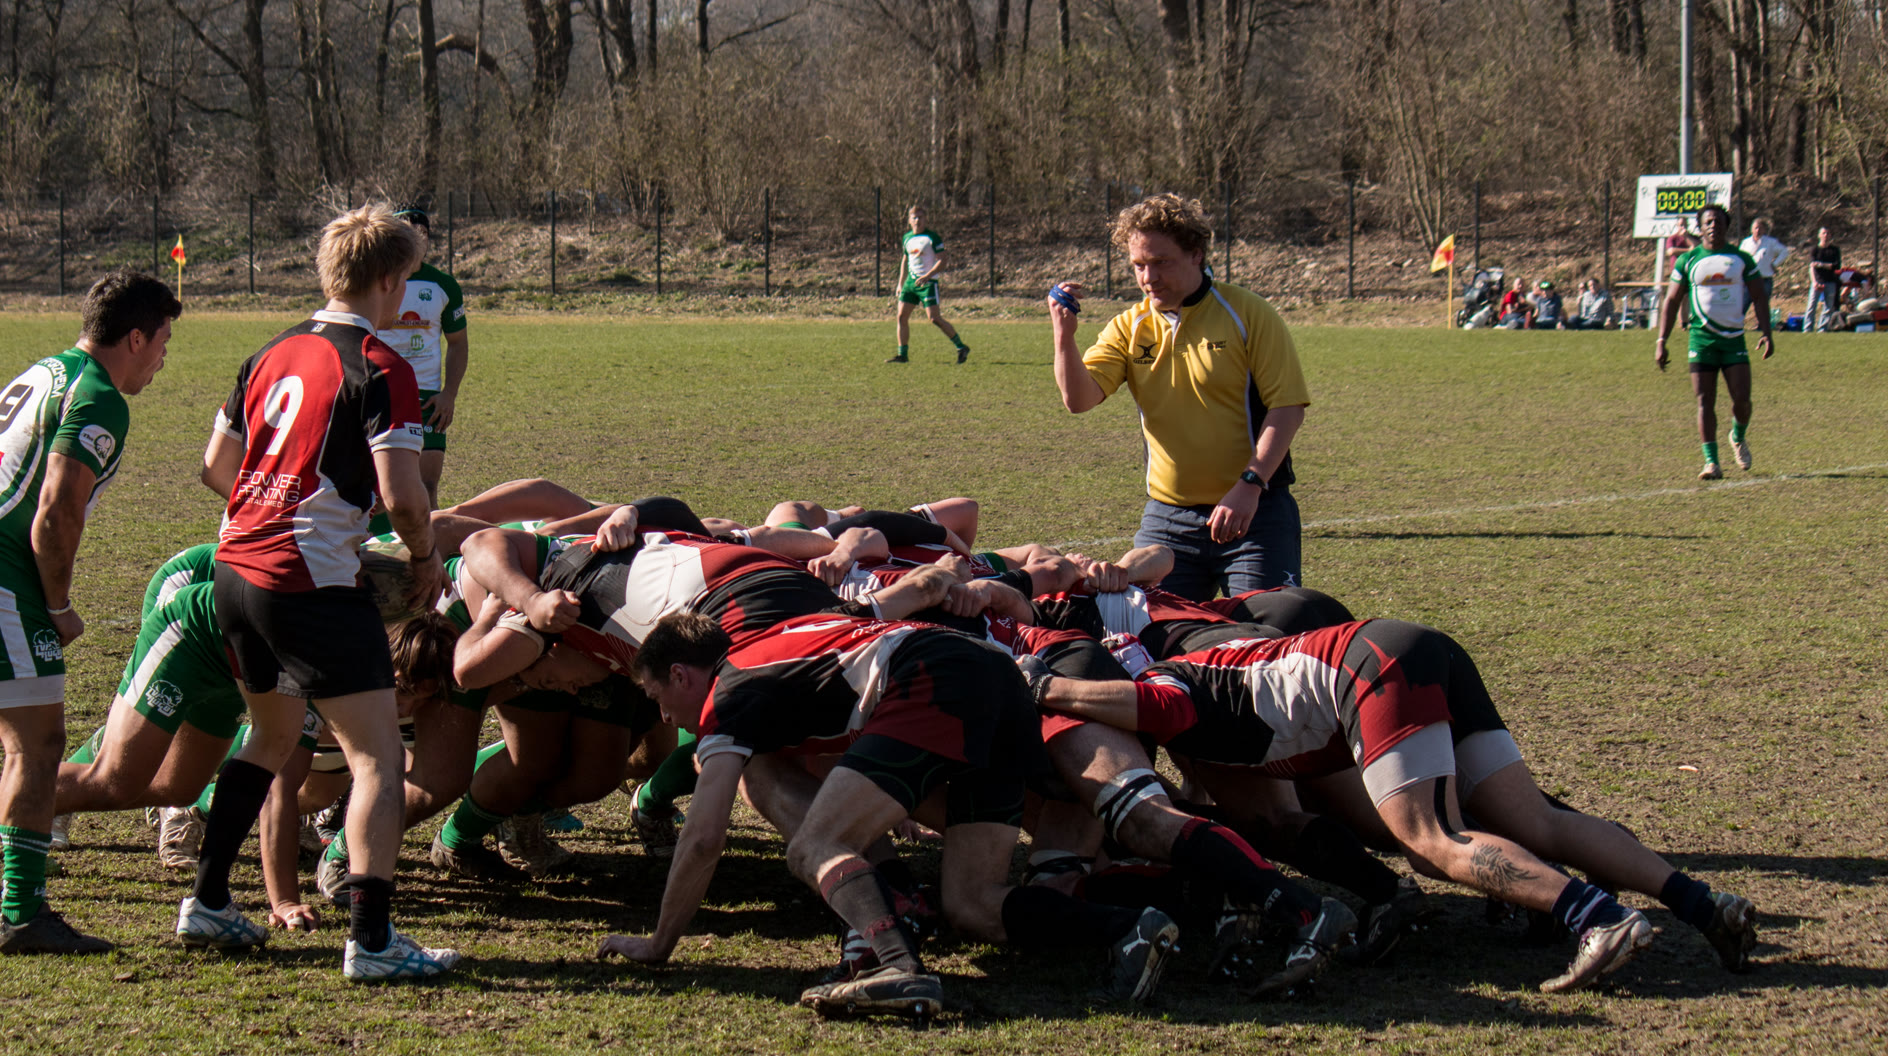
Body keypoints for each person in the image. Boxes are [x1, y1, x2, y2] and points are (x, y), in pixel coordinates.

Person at [1024, 617, 1759, 994]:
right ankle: (1704, 906)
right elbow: (1245, 810)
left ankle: (1597, 918)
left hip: (1371, 668)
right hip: (1404, 650)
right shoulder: (1203, 711)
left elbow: (1156, 704)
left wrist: (1047, 690)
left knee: (1432, 841)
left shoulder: (1169, 679)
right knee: (1535, 821)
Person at [600, 611, 1181, 1018]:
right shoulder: (770, 649)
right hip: (992, 672)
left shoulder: (724, 697)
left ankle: (897, 966)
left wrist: (659, 943)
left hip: (932, 676)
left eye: (656, 697)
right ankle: (1128, 929)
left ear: (681, 676)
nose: (666, 716)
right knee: (973, 904)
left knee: (812, 846)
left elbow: (703, 838)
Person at [194, 202, 454, 979]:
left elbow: (216, 466)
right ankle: (372, 943)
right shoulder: (382, 366)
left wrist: (274, 510)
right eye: (407, 279)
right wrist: (423, 556)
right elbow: (404, 497)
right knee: (378, 759)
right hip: (308, 582)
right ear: (389, 278)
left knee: (269, 739)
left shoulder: (269, 353)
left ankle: (208, 901)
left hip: (235, 572)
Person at [0, 271, 180, 953]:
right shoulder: (99, 397)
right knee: (36, 746)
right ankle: (24, 912)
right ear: (135, 338)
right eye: (162, 343)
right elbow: (56, 514)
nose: (162, 359)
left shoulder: (45, 372)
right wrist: (56, 604)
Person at [1047, 193, 1310, 603]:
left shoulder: (1249, 314)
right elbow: (1078, 399)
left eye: (1161, 262)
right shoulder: (1129, 327)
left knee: (1268, 630)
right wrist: (1064, 336)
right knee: (1150, 630)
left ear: (1196, 255)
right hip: (1168, 521)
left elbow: (1288, 407)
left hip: (1254, 511)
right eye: (1139, 265)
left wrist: (1251, 484)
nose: (1148, 277)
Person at [1655, 204, 1774, 481]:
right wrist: (1662, 340)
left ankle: (1737, 435)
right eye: (1708, 222)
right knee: (1704, 401)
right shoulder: (1688, 261)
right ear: (1700, 227)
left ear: (1726, 226)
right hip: (1701, 340)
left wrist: (1767, 332)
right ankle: (1711, 462)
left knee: (1742, 400)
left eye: (1718, 221)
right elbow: (1671, 301)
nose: (1713, 226)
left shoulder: (1741, 258)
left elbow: (1759, 296)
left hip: (1733, 340)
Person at [372, 208, 469, 506]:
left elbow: (458, 343)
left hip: (427, 398)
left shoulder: (443, 286)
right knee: (381, 487)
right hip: (381, 391)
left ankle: (428, 537)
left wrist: (449, 394)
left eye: (422, 232)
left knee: (426, 486)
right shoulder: (375, 280)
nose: (416, 237)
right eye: (408, 231)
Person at [889, 205, 971, 365]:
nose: (917, 220)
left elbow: (943, 260)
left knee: (934, 318)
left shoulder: (932, 237)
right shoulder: (907, 238)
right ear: (909, 220)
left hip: (928, 283)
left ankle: (961, 347)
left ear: (926, 219)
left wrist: (928, 276)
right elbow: (905, 260)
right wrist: (900, 284)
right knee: (901, 316)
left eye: (920, 217)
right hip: (910, 283)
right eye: (914, 217)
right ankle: (902, 355)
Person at [1807, 227, 1841, 332]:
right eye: (1823, 233)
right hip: (1817, 281)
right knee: (1811, 306)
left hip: (1830, 282)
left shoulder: (1834, 250)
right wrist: (1814, 282)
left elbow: (1836, 266)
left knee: (1828, 307)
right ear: (1819, 235)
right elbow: (1812, 266)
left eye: (1828, 233)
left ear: (1830, 236)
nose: (1826, 235)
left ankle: (1822, 329)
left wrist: (1821, 265)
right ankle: (1807, 329)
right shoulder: (1814, 250)